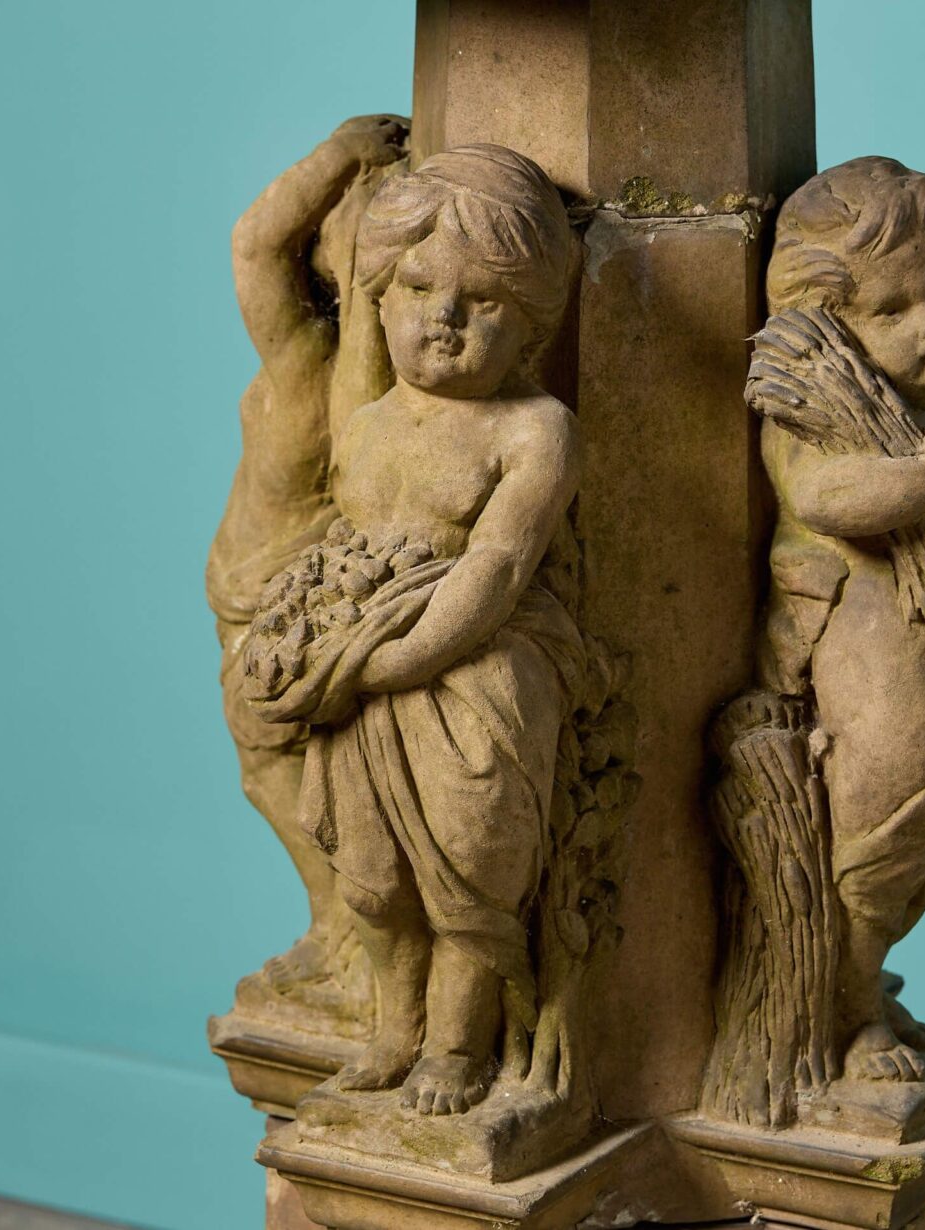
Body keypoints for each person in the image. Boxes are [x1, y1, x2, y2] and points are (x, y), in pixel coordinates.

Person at [245, 144, 584, 1116]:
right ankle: (395, 1028)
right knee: (372, 877)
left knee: (469, 868)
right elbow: (342, 548)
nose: (445, 317)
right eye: (420, 288)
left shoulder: (533, 429)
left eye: (485, 301)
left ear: (531, 321)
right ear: (382, 295)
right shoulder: (367, 417)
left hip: (471, 671)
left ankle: (455, 1047)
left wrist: (402, 655)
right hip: (359, 673)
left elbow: (498, 564)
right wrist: (322, 643)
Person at [755, 157, 925, 1082]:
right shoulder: (810, 414)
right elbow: (823, 496)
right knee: (875, 828)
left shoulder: (921, 422)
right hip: (873, 655)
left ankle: (863, 989)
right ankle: (849, 1017)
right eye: (894, 310)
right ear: (826, 328)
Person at [207, 115, 405, 1005]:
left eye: (338, 217)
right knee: (292, 782)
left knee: (287, 779)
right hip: (260, 599)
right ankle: (347, 935)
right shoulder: (342, 361)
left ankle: (350, 939)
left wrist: (342, 153)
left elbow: (254, 244)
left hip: (277, 612)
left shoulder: (306, 362)